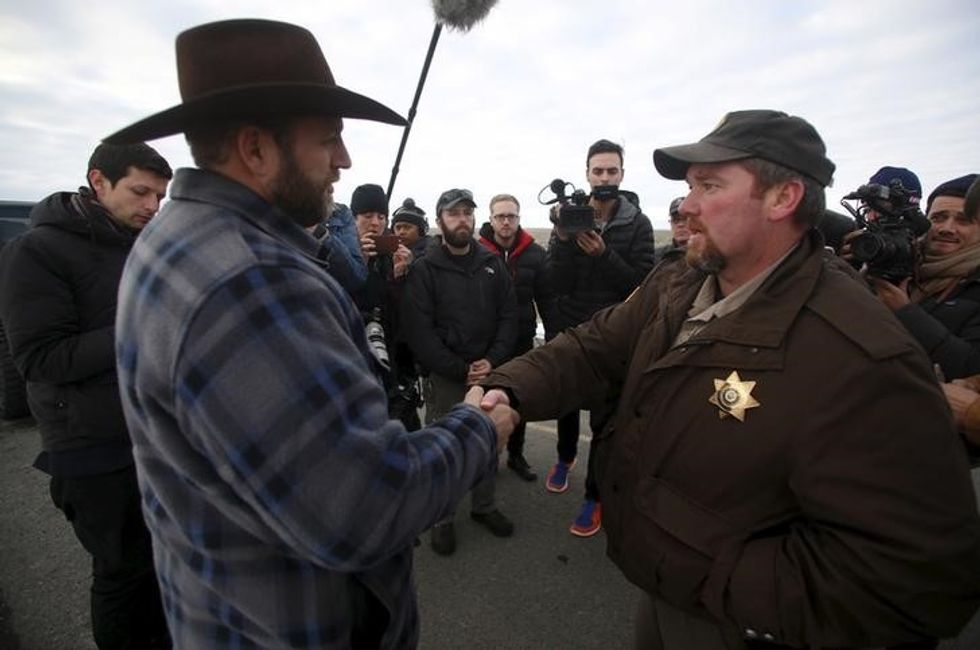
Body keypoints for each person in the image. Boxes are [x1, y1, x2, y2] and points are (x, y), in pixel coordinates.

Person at [482, 109, 980, 649]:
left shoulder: (860, 354)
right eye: (691, 187)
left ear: (782, 198)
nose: (688, 205)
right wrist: (508, 390)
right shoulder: (680, 279)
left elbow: (916, 577)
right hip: (661, 589)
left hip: (735, 620)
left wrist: (711, 572)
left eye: (710, 185)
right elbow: (594, 347)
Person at [105, 19, 516, 649]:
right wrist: (477, 428)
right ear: (256, 149)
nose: (344, 161)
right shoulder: (249, 282)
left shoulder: (173, 236)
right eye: (328, 140)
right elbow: (366, 508)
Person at [0, 143, 173, 649]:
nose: (151, 207)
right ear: (99, 181)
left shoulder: (139, 245)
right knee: (123, 575)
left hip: (154, 436)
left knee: (163, 567)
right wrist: (139, 324)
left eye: (160, 197)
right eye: (140, 191)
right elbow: (40, 358)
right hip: (91, 447)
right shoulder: (36, 251)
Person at [544, 138, 656, 537]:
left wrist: (603, 254)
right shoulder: (573, 217)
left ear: (622, 175)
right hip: (574, 329)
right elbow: (556, 281)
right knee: (566, 404)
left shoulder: (638, 224)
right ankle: (564, 455)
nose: (605, 177)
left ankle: (594, 494)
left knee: (606, 423)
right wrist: (561, 240)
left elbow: (641, 285)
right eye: (598, 171)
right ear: (587, 174)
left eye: (612, 171)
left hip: (615, 335)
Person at [402, 188, 518, 555]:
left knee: (486, 443)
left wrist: (493, 360)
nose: (462, 219)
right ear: (439, 222)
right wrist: (459, 368)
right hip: (447, 375)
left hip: (487, 373)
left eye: (467, 212)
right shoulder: (425, 269)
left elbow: (509, 315)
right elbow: (419, 330)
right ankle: (443, 517)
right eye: (454, 214)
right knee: (444, 449)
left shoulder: (491, 263)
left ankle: (484, 507)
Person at [865, 172, 980, 379]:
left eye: (963, 221)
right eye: (938, 218)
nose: (947, 228)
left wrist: (905, 312)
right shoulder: (896, 262)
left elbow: (971, 366)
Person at [477, 193, 555, 481]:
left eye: (511, 216)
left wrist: (552, 336)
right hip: (487, 342)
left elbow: (547, 299)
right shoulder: (477, 251)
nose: (506, 221)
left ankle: (517, 455)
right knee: (486, 401)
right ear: (491, 219)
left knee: (519, 400)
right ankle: (487, 456)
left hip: (522, 340)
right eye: (500, 216)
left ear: (519, 219)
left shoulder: (535, 254)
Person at [349, 183, 420, 429]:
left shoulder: (389, 257)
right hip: (356, 366)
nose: (375, 223)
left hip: (392, 362)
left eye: (381, 216)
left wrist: (401, 276)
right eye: (367, 216)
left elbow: (403, 317)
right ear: (353, 218)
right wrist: (359, 264)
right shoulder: (340, 256)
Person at [654, 196, 689, 263]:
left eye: (685, 219)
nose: (680, 225)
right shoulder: (658, 256)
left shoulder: (706, 256)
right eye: (676, 220)